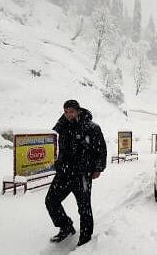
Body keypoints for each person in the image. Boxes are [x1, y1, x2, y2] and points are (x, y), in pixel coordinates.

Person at [45, 100, 107, 247]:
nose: (68, 114)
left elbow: (101, 150)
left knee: (84, 208)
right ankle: (66, 226)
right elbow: (57, 141)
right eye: (66, 112)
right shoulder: (63, 126)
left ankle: (85, 240)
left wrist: (98, 168)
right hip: (64, 173)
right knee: (51, 200)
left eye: (71, 111)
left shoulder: (92, 128)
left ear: (78, 111)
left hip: (82, 174)